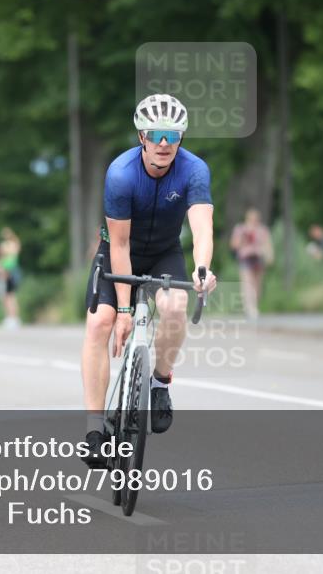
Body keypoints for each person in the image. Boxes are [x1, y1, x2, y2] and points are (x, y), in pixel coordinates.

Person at [81, 93, 217, 467]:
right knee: (100, 322)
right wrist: (125, 311)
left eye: (172, 135)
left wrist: (202, 269)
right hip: (118, 251)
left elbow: (202, 227)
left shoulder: (194, 170)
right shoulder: (121, 173)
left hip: (163, 252)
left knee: (175, 306)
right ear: (142, 136)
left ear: (181, 138)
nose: (164, 143)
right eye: (156, 134)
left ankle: (159, 382)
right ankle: (94, 430)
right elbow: (120, 244)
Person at [229, 208, 273, 319]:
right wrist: (243, 238)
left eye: (255, 219)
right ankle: (250, 307)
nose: (254, 220)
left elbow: (267, 243)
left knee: (257, 284)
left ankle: (254, 304)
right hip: (246, 258)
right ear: (247, 218)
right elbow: (234, 245)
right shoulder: (240, 229)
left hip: (258, 258)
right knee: (247, 283)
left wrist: (270, 256)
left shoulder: (262, 230)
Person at [0, 227, 22, 328]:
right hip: (4, 271)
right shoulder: (4, 245)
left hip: (9, 271)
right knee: (6, 297)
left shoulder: (12, 245)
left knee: (10, 296)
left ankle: (14, 318)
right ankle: (10, 317)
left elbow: (15, 249)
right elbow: (0, 256)